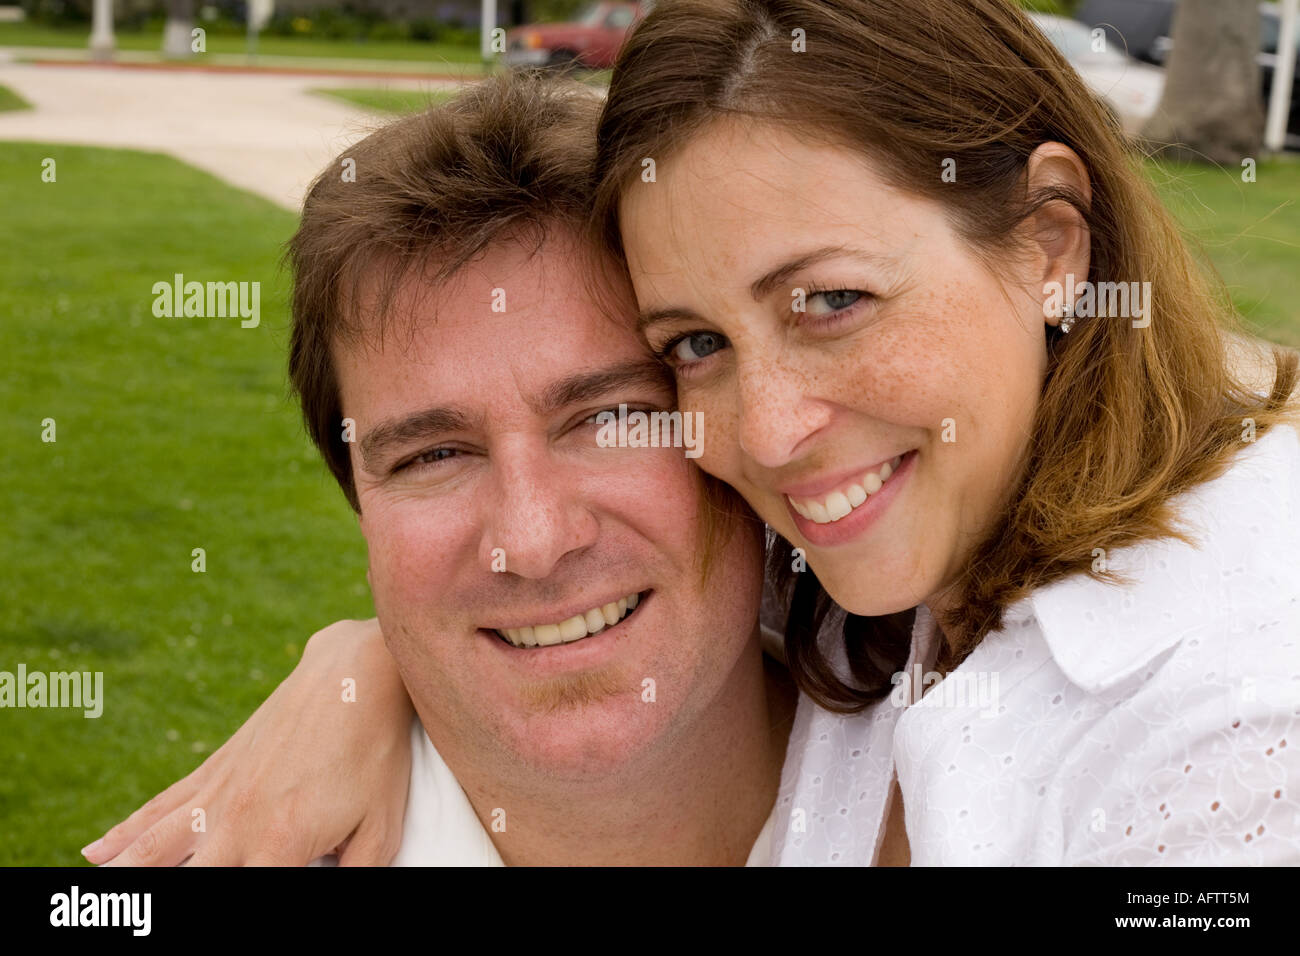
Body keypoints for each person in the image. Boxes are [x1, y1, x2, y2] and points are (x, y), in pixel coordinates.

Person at [90, 0, 1300, 866]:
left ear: (1049, 247)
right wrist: (362, 661)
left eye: (833, 301)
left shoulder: (1236, 733)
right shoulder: (891, 576)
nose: (768, 435)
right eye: (695, 348)